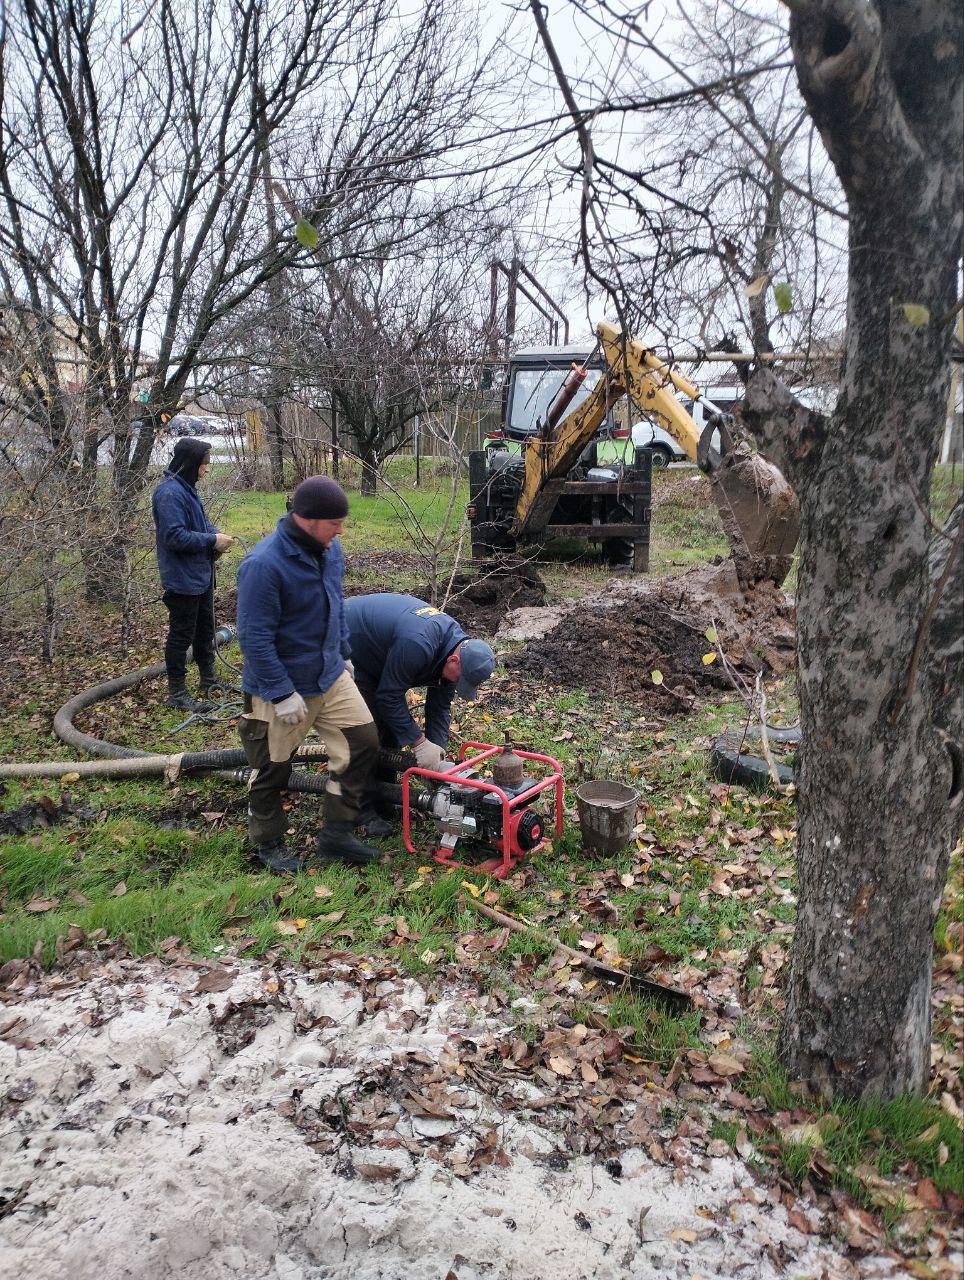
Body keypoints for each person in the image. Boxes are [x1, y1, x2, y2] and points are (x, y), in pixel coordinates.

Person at [236, 475, 381, 874]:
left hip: (331, 675)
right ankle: (268, 842)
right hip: (280, 686)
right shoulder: (264, 565)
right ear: (308, 519)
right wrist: (281, 693)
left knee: (363, 742)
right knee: (272, 768)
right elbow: (254, 637)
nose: (341, 530)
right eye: (335, 522)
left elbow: (337, 606)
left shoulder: (330, 551)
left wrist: (346, 655)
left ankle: (337, 832)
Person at [344, 593, 496, 833]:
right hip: (350, 641)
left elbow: (439, 707)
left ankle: (383, 797)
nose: (458, 685)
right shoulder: (419, 643)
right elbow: (388, 696)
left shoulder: (453, 650)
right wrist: (419, 742)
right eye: (461, 679)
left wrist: (436, 757)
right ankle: (359, 810)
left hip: (384, 654)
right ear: (455, 660)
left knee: (393, 730)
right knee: (368, 733)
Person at [151, 437, 233, 713]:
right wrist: (211, 542)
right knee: (180, 635)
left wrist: (218, 535)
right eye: (204, 463)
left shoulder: (187, 489)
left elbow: (200, 524)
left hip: (200, 575)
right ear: (191, 463)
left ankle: (208, 679)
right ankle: (177, 693)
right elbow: (173, 537)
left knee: (204, 630)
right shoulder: (170, 494)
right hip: (182, 579)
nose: (207, 469)